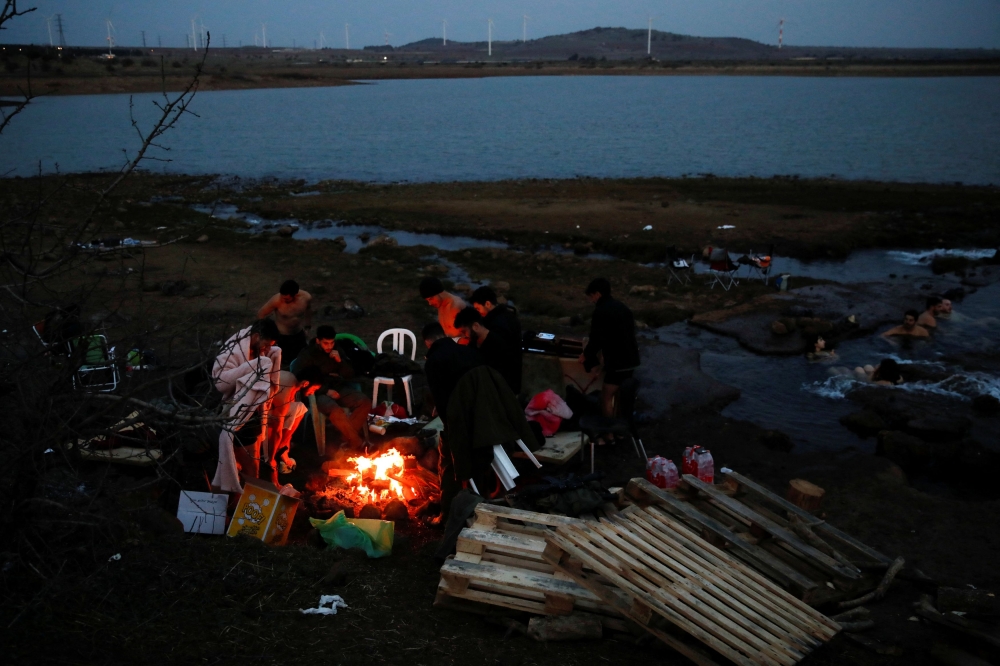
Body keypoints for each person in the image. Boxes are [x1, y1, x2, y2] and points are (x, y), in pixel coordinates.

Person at [210, 319, 283, 491]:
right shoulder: (233, 350)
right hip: (236, 412)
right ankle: (238, 507)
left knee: (251, 464)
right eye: (266, 344)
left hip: (254, 414)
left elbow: (267, 383)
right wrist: (256, 365)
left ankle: (240, 503)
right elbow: (221, 382)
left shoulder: (262, 351)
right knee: (246, 467)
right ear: (256, 336)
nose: (267, 349)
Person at [422, 322, 484, 525]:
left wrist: (448, 430)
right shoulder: (469, 352)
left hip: (459, 422)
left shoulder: (434, 361)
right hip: (483, 417)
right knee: (479, 462)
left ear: (428, 343)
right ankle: (483, 506)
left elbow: (442, 403)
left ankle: (447, 516)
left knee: (448, 462)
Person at [290, 325, 373, 451]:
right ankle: (357, 442)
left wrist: (340, 362)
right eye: (325, 343)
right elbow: (300, 378)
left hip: (338, 386)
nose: (329, 346)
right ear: (318, 341)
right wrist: (326, 391)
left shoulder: (337, 350)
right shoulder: (308, 354)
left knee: (364, 402)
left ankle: (345, 439)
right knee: (334, 409)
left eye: (331, 342)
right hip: (317, 392)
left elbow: (350, 374)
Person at [580, 278, 641, 419]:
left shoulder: (601, 311)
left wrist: (586, 355)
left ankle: (609, 435)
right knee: (620, 395)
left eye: (591, 296)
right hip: (632, 360)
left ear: (598, 294)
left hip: (618, 363)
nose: (591, 300)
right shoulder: (623, 308)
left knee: (606, 396)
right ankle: (619, 431)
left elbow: (596, 339)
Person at [453, 306, 521, 395]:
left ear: (476, 326)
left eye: (464, 331)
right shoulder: (473, 344)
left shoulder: (497, 345)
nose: (464, 336)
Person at [471, 285, 522, 391]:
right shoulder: (509, 315)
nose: (478, 312)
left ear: (488, 304)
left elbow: (498, 352)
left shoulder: (495, 324)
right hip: (513, 377)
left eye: (478, 308)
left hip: (502, 381)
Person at [257, 279, 313, 368]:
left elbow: (308, 310)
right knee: (281, 363)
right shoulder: (276, 300)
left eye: (286, 298)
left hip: (298, 333)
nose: (283, 300)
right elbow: (261, 314)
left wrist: (307, 326)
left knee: (302, 359)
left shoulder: (306, 298)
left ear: (294, 295)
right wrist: (265, 333)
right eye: (282, 297)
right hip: (282, 336)